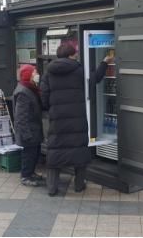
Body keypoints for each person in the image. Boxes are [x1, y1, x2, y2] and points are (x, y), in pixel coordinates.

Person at [40, 43, 113, 196]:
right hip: (77, 117)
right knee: (79, 151)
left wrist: (52, 108)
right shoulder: (79, 70)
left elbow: (44, 96)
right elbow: (95, 79)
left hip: (57, 118)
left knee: (55, 151)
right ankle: (79, 185)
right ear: (72, 55)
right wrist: (105, 62)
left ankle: (52, 188)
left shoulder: (48, 71)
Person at [13, 64, 45, 187]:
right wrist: (26, 134)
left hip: (33, 129)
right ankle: (25, 176)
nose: (36, 75)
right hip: (28, 131)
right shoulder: (23, 92)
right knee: (29, 154)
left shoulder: (30, 88)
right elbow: (21, 117)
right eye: (34, 73)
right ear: (28, 75)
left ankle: (31, 173)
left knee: (35, 153)